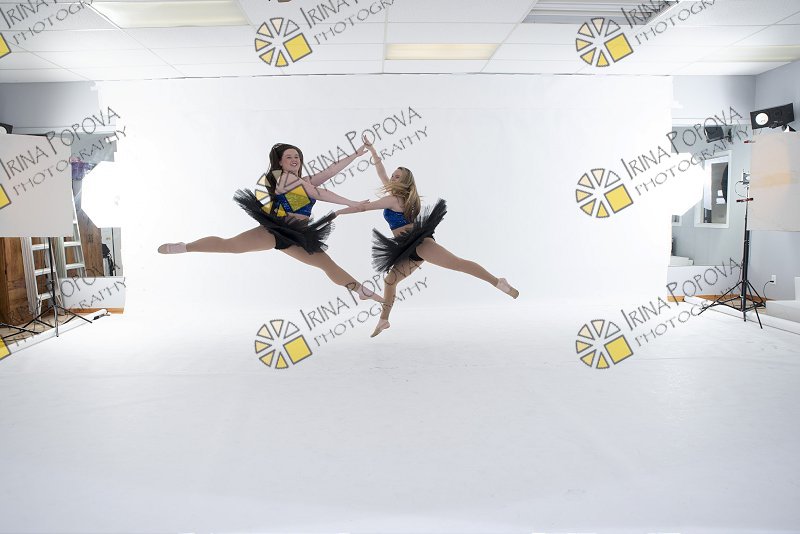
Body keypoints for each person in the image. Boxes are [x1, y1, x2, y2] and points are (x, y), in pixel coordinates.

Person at [157, 141, 383, 302]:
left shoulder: (302, 180)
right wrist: (352, 203)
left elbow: (329, 171)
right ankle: (185, 247)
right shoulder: (284, 179)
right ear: (280, 163)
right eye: (289, 157)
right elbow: (318, 193)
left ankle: (360, 291)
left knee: (327, 265)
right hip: (277, 231)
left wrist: (356, 155)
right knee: (230, 246)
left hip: (299, 235)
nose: (294, 160)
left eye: (297, 156)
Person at [335, 141, 519, 337]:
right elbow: (381, 172)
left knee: (457, 264)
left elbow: (364, 207)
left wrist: (338, 212)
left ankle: (497, 281)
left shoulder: (394, 200)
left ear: (404, 182)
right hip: (406, 249)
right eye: (393, 175)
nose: (392, 178)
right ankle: (384, 320)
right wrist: (372, 151)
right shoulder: (396, 196)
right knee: (390, 281)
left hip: (420, 244)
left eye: (397, 177)